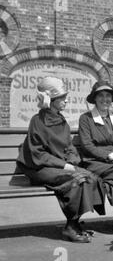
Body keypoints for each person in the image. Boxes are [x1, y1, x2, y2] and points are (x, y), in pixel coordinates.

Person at [16, 76, 104, 243]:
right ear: (50, 99)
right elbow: (38, 154)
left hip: (58, 166)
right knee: (77, 180)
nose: (66, 101)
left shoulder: (61, 120)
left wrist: (73, 160)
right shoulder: (37, 121)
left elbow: (68, 146)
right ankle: (70, 227)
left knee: (90, 177)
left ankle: (75, 222)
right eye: (62, 98)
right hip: (38, 168)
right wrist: (66, 166)